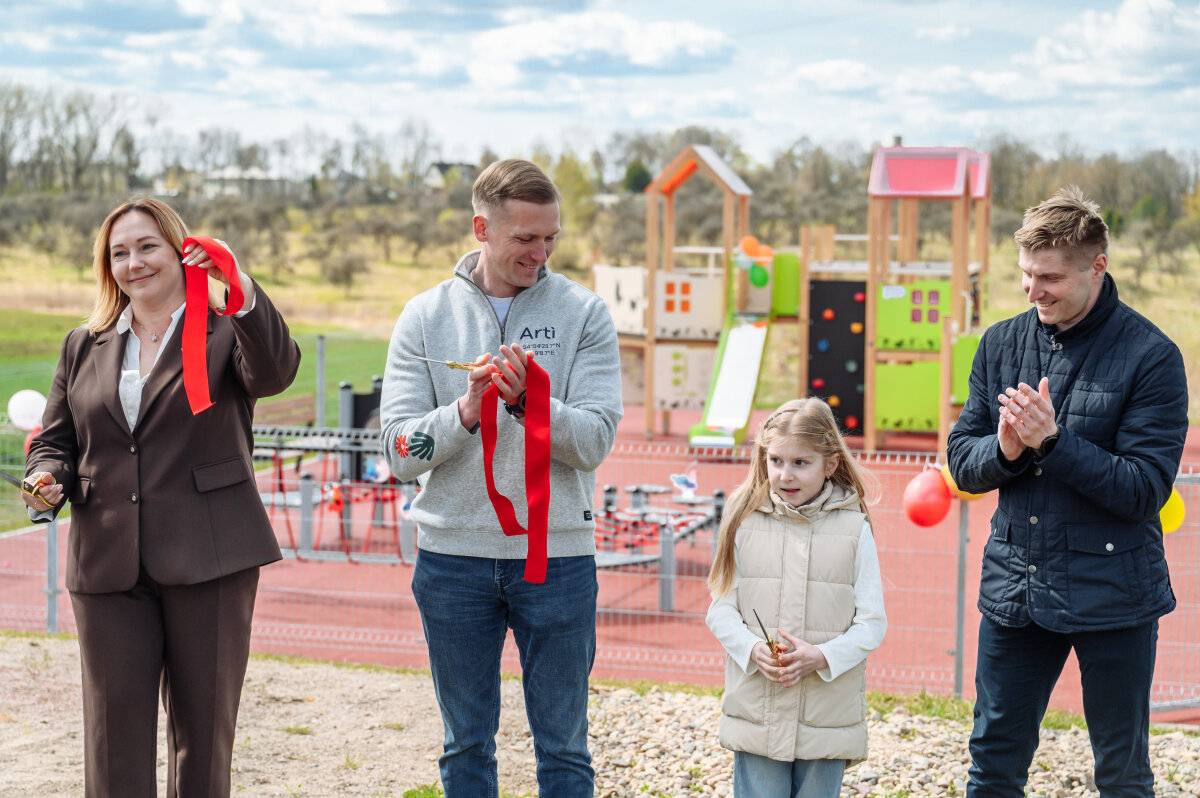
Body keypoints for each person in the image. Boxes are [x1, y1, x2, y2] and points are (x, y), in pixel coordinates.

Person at [23, 197, 301, 797]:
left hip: (212, 556)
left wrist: (238, 286)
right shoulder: (83, 344)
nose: (135, 263)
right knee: (112, 740)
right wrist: (45, 479)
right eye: (119, 253)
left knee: (203, 738)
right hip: (106, 563)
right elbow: (55, 441)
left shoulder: (227, 330)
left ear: (181, 251)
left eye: (147, 246)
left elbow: (276, 373)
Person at [379, 158, 622, 797]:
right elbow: (398, 451)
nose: (540, 254)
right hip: (452, 560)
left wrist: (531, 405)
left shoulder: (585, 313)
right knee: (464, 746)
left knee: (564, 749)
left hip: (558, 559)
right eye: (525, 238)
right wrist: (465, 412)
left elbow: (595, 442)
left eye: (551, 238)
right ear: (481, 228)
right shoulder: (424, 315)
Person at [946, 186, 1188, 797]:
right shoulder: (1000, 343)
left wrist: (1053, 443)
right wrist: (1005, 451)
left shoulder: (1153, 357)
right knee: (992, 764)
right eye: (1026, 275)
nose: (1033, 291)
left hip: (1115, 593)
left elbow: (1144, 490)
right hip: (1016, 587)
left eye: (1050, 277)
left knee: (1122, 770)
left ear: (1096, 266)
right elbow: (962, 460)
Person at [706, 397, 887, 798]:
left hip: (826, 715)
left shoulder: (854, 528)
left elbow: (872, 624)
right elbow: (721, 610)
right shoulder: (742, 520)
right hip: (758, 710)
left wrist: (821, 656)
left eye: (801, 463)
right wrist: (752, 649)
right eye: (776, 461)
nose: (785, 475)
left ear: (830, 464)